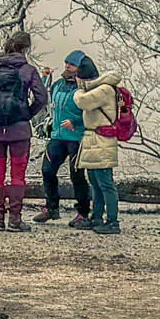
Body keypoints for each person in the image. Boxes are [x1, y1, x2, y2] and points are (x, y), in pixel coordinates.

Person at [0, 31, 49, 231]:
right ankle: (15, 218)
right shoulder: (27, 70)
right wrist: (27, 113)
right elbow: (41, 97)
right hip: (19, 129)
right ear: (25, 49)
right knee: (18, 174)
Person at [69, 56, 124, 234]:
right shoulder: (100, 89)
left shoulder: (105, 90)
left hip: (102, 141)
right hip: (94, 140)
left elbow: (82, 101)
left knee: (105, 183)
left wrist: (77, 91)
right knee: (95, 181)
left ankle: (113, 221)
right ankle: (97, 216)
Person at [38, 52, 90, 224]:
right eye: (66, 62)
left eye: (72, 64)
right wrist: (45, 79)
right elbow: (48, 101)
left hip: (76, 137)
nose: (68, 66)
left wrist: (75, 121)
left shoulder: (84, 87)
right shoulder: (58, 84)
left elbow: (92, 111)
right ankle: (51, 208)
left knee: (77, 175)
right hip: (57, 136)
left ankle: (83, 212)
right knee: (47, 169)